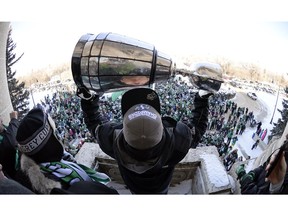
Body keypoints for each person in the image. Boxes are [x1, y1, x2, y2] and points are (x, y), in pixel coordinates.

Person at [78, 86, 215, 194]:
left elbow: (94, 125)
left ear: (123, 132)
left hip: (133, 186)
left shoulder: (111, 140)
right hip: (162, 185)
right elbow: (198, 128)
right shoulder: (179, 141)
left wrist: (88, 101)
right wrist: (201, 99)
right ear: (162, 127)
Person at [14, 107, 118, 194]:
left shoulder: (48, 166)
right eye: (54, 134)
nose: (58, 137)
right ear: (49, 143)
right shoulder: (66, 188)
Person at [0, 111, 20, 179]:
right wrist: (14, 120)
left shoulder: (9, 129)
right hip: (14, 176)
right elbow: (9, 145)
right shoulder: (11, 130)